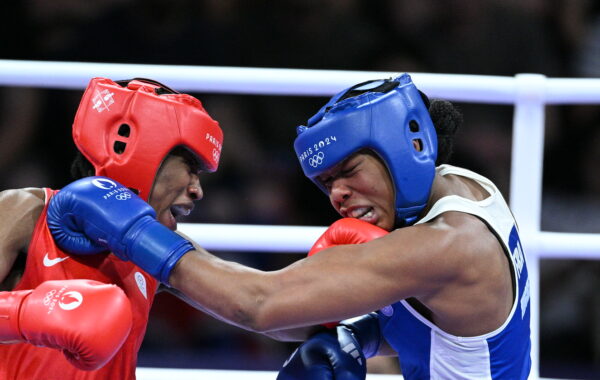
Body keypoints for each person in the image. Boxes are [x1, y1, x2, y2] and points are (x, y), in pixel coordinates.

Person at [48, 74, 531, 379]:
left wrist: (134, 232)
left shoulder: (447, 245)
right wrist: (358, 337)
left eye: (347, 172)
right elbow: (443, 328)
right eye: (326, 182)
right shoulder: (460, 186)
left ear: (409, 149)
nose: (337, 195)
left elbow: (262, 305)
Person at [0, 77, 223, 379]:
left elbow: (256, 306)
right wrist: (23, 315)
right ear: (142, 152)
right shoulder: (26, 210)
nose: (198, 191)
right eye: (190, 169)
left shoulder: (158, 247)